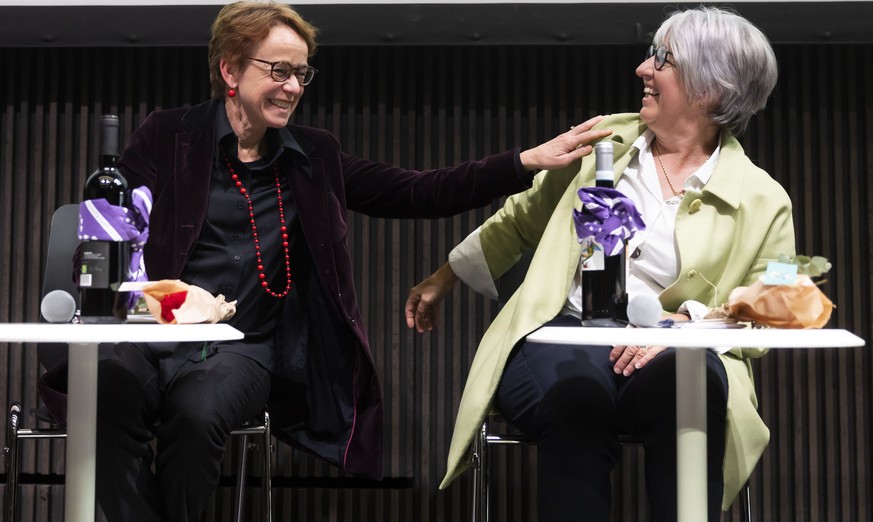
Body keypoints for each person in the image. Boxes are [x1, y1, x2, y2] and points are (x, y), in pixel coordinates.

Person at [89, 1, 611, 520]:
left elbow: (418, 191)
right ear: (230, 68)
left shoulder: (313, 156)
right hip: (153, 329)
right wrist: (167, 300)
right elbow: (107, 241)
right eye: (278, 70)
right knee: (104, 395)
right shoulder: (168, 135)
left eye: (300, 73)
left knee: (197, 416)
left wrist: (524, 162)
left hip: (243, 349)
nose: (293, 87)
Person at [405, 6, 794, 521]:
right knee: (577, 400)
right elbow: (523, 216)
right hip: (568, 332)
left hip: (676, 349)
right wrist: (445, 276)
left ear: (710, 89)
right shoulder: (602, 145)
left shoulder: (766, 198)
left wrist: (685, 328)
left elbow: (778, 305)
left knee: (691, 392)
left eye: (663, 59)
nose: (642, 69)